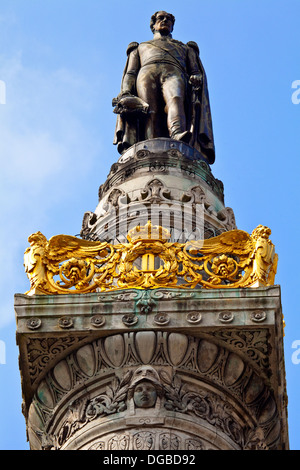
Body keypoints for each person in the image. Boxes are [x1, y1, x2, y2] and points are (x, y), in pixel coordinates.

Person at [113, 11, 215, 163]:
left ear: (173, 26)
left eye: (169, 19)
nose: (165, 20)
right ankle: (150, 144)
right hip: (146, 73)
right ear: (153, 25)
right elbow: (131, 72)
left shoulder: (185, 48)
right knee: (149, 109)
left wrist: (196, 78)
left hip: (174, 72)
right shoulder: (140, 47)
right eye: (161, 18)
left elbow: (195, 71)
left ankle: (177, 133)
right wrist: (126, 91)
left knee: (175, 99)